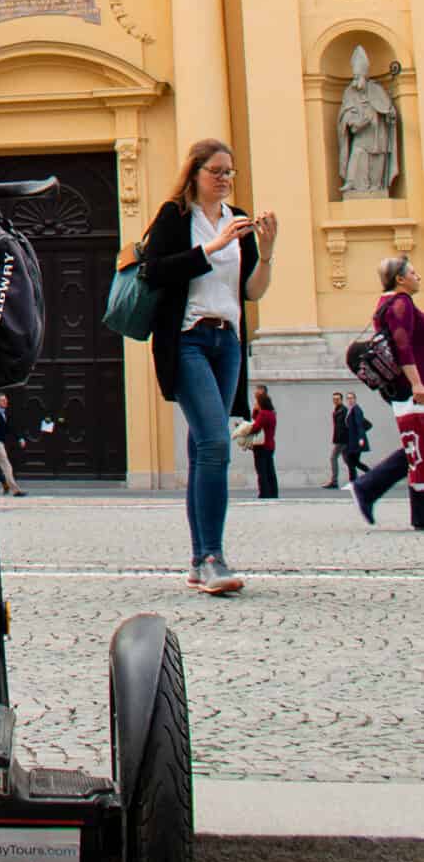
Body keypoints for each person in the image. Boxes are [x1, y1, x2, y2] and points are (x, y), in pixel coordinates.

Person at [140, 137, 277, 595]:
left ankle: (201, 560)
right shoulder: (176, 217)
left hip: (228, 340)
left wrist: (268, 248)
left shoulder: (238, 221)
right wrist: (214, 246)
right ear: (195, 173)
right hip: (188, 338)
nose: (224, 179)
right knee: (217, 442)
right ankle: (213, 557)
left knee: (204, 448)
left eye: (229, 172)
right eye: (216, 171)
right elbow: (154, 271)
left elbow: (252, 292)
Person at [352, 256, 424, 530]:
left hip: (400, 388)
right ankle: (370, 489)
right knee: (418, 449)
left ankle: (368, 488)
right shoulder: (401, 304)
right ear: (400, 279)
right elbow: (404, 347)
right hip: (411, 388)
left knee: (415, 447)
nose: (418, 277)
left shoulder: (385, 304)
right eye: (414, 273)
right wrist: (417, 383)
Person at [243, 383, 279, 498]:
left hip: (261, 446)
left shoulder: (263, 414)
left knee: (262, 471)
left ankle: (264, 493)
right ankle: (273, 492)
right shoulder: (272, 413)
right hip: (270, 444)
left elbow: (255, 427)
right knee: (270, 470)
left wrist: (242, 429)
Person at [0, 392, 26, 497]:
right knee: (6, 466)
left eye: (6, 400)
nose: (5, 402)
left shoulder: (3, 413)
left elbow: (9, 428)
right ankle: (15, 490)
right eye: (2, 400)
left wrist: (19, 438)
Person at [343, 392, 371, 482]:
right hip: (352, 440)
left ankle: (353, 481)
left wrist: (361, 438)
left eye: (351, 398)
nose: (350, 400)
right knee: (354, 462)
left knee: (351, 461)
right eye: (348, 398)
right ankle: (371, 475)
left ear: (355, 399)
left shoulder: (356, 409)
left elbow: (359, 425)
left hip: (356, 441)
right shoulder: (350, 410)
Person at [326, 392, 350, 489]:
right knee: (349, 461)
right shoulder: (337, 410)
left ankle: (334, 481)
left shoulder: (343, 410)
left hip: (343, 440)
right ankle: (358, 480)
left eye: (337, 399)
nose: (335, 400)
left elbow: (344, 426)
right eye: (334, 399)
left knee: (333, 457)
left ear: (341, 400)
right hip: (340, 439)